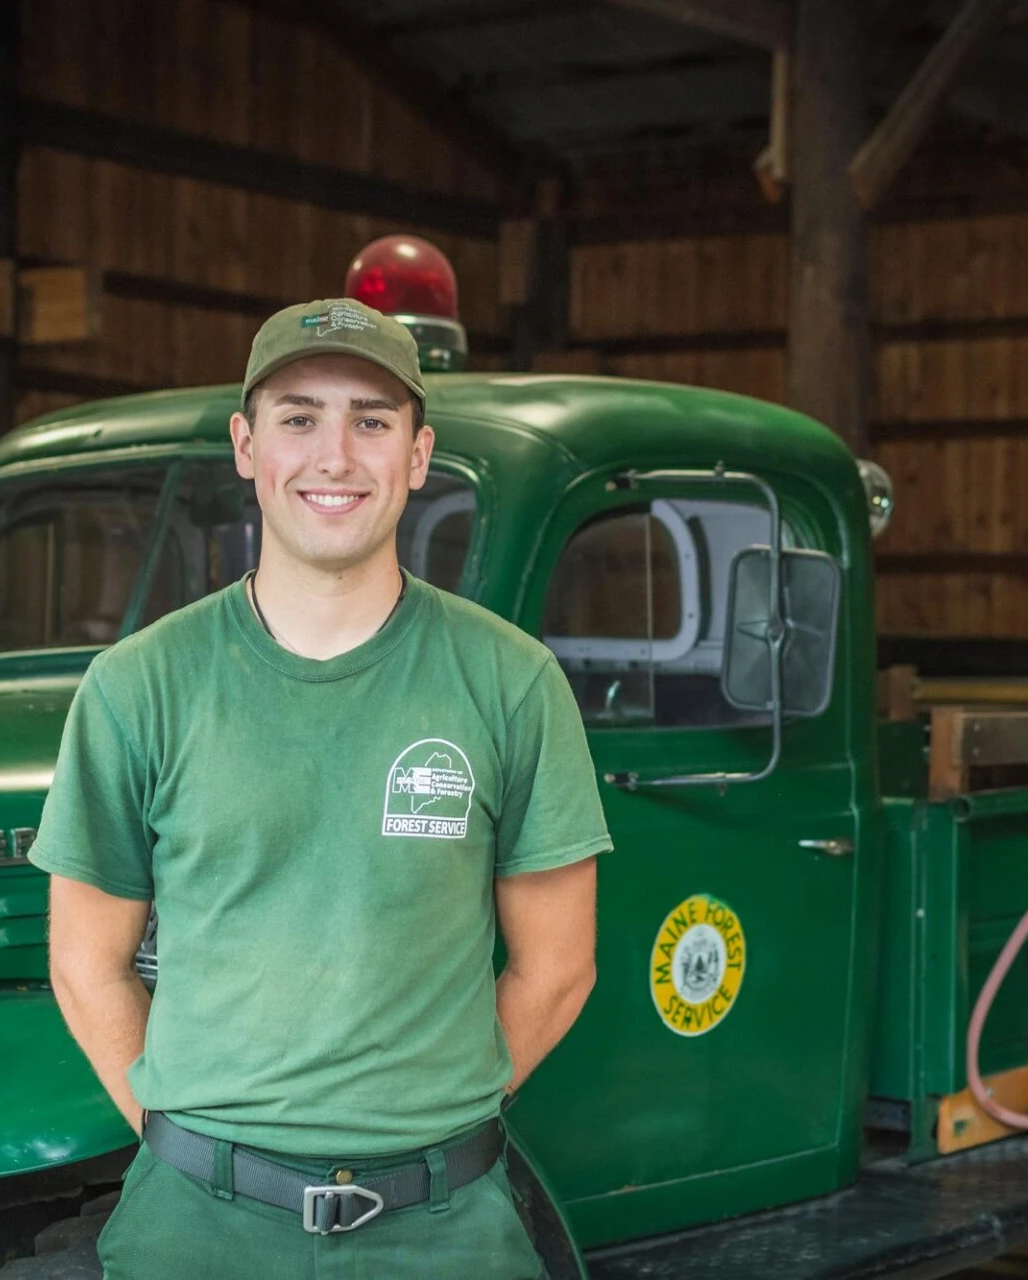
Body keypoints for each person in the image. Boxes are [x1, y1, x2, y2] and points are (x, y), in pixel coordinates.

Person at [30, 296, 612, 1278]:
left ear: (418, 455)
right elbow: (88, 961)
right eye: (299, 417)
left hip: (445, 1227)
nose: (334, 455)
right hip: (196, 1229)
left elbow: (557, 966)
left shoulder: (512, 682)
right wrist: (202, 1141)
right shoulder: (140, 685)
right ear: (246, 445)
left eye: (371, 421)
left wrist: (424, 1115)